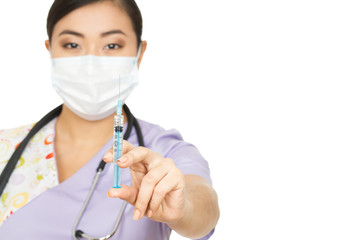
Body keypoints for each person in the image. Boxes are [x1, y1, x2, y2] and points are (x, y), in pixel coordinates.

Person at [0, 0, 219, 239]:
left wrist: (183, 209)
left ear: (139, 53)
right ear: (50, 50)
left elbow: (202, 207)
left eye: (112, 45)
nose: (91, 64)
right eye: (72, 44)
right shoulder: (6, 147)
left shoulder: (164, 151)